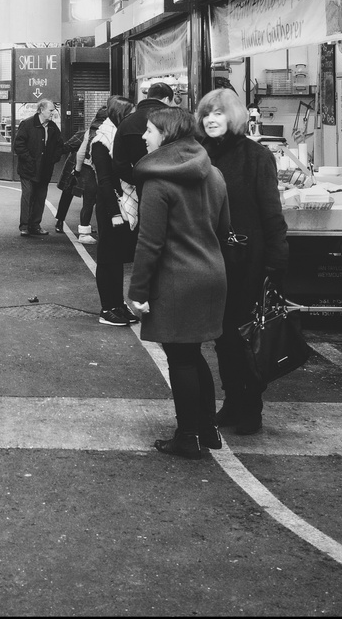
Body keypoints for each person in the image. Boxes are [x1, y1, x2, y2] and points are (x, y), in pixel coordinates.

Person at [127, 106, 232, 459]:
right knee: (193, 352)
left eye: (150, 131)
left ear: (166, 135)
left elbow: (149, 242)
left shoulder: (158, 181)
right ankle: (206, 428)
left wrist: (138, 291)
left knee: (180, 357)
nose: (144, 137)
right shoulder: (213, 174)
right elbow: (224, 229)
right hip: (212, 274)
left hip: (176, 280)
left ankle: (189, 436)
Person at [196, 87, 289, 435]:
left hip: (247, 261)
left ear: (233, 116)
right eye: (206, 113)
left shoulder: (256, 156)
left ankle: (250, 407)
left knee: (244, 336)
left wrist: (276, 264)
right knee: (222, 337)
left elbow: (271, 212)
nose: (211, 119)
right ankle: (233, 401)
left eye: (218, 113)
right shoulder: (200, 153)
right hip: (210, 258)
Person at [89, 95, 138, 325]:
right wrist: (114, 214)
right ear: (119, 115)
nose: (132, 118)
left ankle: (118, 304)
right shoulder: (101, 141)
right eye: (129, 114)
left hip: (124, 203)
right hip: (111, 205)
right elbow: (104, 181)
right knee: (108, 258)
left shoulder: (120, 136)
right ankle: (107, 308)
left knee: (117, 258)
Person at [56, 105, 109, 244]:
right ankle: (60, 221)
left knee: (83, 198)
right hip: (79, 169)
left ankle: (67, 223)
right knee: (73, 196)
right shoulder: (85, 134)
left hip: (82, 168)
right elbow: (67, 147)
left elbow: (66, 147)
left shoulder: (87, 133)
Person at [12, 98, 62, 236]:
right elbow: (19, 145)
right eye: (51, 110)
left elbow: (59, 145)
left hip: (45, 169)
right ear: (41, 110)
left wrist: (53, 159)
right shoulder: (27, 124)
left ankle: (35, 225)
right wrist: (29, 160)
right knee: (28, 196)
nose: (53, 113)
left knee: (40, 198)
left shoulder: (52, 127)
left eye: (54, 110)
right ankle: (24, 226)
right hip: (28, 169)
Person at [114, 82, 174, 185]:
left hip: (141, 185)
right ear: (167, 99)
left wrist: (137, 181)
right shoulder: (175, 120)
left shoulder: (126, 122)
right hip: (173, 185)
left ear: (147, 97)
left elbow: (119, 163)